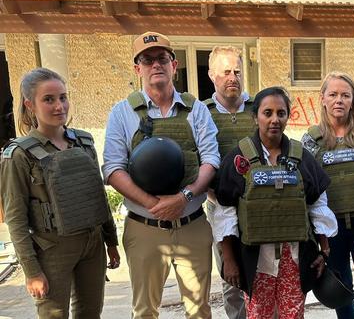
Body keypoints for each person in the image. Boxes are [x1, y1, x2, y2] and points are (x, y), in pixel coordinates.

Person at [102, 32, 219, 319]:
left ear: (174, 64)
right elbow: (113, 169)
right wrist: (155, 205)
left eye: (162, 58)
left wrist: (184, 197)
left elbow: (211, 160)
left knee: (200, 310)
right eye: (147, 59)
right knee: (144, 310)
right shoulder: (122, 112)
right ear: (137, 68)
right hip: (145, 228)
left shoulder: (197, 110)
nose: (156, 65)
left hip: (191, 222)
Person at [0, 68, 120, 318]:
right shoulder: (20, 155)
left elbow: (97, 195)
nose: (59, 106)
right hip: (53, 248)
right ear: (30, 104)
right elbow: (16, 218)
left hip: (92, 242)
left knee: (90, 313)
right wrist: (32, 271)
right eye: (49, 99)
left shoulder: (84, 142)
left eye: (63, 97)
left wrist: (111, 241)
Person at [217, 86, 337, 319]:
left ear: (287, 116)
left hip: (293, 258)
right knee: (258, 314)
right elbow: (225, 212)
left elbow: (317, 205)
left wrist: (324, 251)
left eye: (280, 113)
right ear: (255, 116)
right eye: (267, 113)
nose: (274, 119)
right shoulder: (239, 158)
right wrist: (229, 260)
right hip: (256, 261)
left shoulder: (301, 156)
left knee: (293, 314)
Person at [301, 71, 354, 319]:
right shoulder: (311, 140)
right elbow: (307, 188)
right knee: (340, 289)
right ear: (323, 99)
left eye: (345, 95)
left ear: (353, 100)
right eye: (333, 94)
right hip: (331, 229)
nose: (339, 100)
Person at [203, 46, 250, 319]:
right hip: (218, 205)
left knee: (264, 273)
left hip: (257, 207)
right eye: (225, 72)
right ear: (212, 75)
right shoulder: (200, 113)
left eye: (236, 71)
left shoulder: (258, 108)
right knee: (231, 279)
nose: (232, 77)